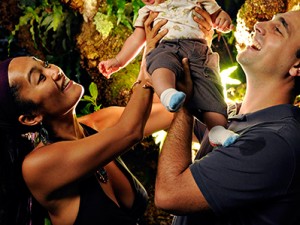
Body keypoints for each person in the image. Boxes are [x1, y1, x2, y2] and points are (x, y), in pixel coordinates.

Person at [0, 17, 173, 224]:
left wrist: (196, 40)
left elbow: (168, 108)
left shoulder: (97, 124)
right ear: (30, 117)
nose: (55, 71)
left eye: (45, 64)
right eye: (40, 78)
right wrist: (149, 56)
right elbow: (130, 131)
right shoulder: (37, 166)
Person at [152, 7, 300, 225]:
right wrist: (193, 50)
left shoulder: (274, 141)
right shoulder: (236, 116)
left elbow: (168, 194)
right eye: (269, 20)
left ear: (297, 66)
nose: (259, 26)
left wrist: (184, 106)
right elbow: (158, 110)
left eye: (278, 29)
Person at [98, 0, 238, 147]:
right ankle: (167, 93)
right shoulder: (148, 11)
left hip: (198, 52)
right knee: (161, 66)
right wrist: (118, 60)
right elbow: (136, 38)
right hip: (165, 48)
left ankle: (217, 130)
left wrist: (223, 21)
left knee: (211, 89)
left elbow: (217, 16)